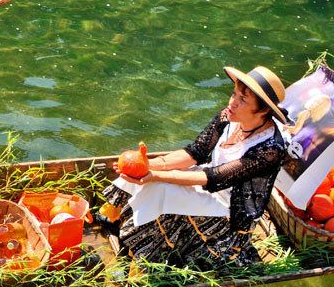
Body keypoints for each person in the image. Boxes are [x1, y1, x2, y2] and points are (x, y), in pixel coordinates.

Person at [101, 66, 288, 269]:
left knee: (159, 187)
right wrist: (148, 164)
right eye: (234, 93)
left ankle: (141, 260)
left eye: (242, 100)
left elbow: (214, 177)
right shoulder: (229, 116)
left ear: (263, 110)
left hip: (229, 209)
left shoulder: (269, 150)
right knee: (140, 170)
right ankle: (117, 215)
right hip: (206, 182)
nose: (232, 102)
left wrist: (156, 175)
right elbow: (195, 153)